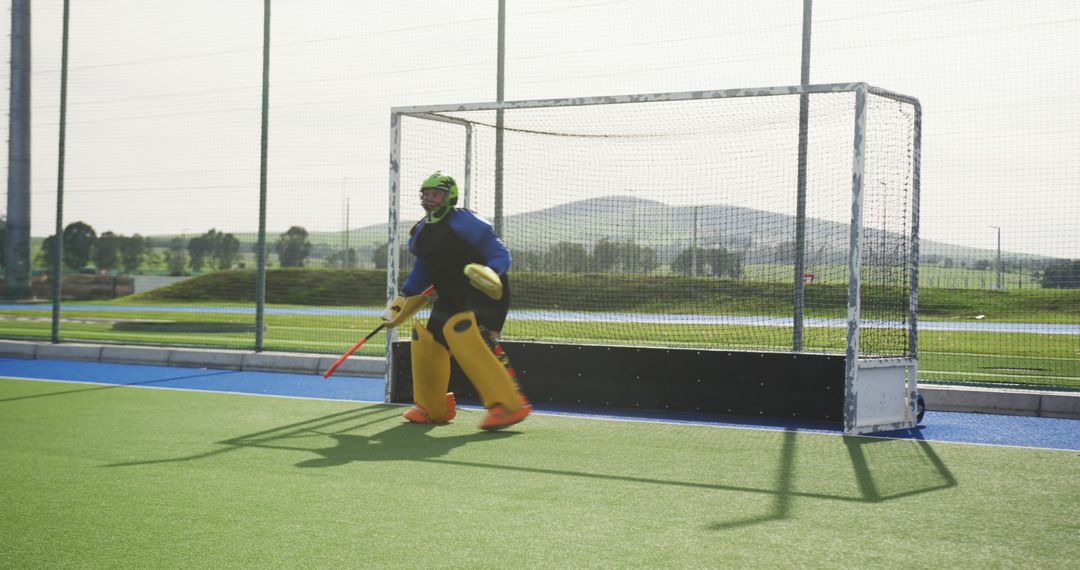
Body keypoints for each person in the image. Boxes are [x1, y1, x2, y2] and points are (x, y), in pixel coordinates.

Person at [382, 171, 532, 430]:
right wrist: (405, 297)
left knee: (466, 333)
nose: (430, 200)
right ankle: (431, 408)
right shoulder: (421, 232)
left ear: (449, 196)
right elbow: (423, 270)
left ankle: (508, 405)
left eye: (436, 194)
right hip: (450, 295)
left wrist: (492, 273)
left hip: (484, 290)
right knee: (427, 343)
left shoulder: (467, 222)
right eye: (426, 194)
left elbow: (498, 252)